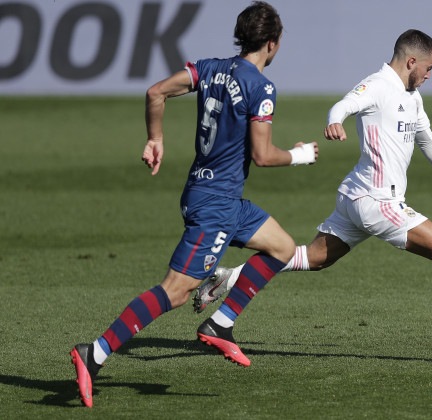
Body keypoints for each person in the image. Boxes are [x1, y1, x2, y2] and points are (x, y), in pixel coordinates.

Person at [194, 29, 432, 355]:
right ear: (411, 62)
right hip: (377, 201)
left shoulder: (412, 96)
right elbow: (344, 105)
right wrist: (335, 121)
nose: (429, 75)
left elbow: (426, 139)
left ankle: (230, 278)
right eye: (429, 68)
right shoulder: (378, 86)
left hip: (356, 196)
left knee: (314, 257)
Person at [69, 1, 318, 408]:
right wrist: (301, 154)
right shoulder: (261, 87)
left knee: (283, 248)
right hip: (216, 205)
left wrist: (156, 138)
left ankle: (220, 325)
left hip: (212, 194)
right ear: (271, 44)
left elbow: (156, 91)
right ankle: (93, 354)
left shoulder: (210, 67)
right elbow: (263, 155)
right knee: (177, 291)